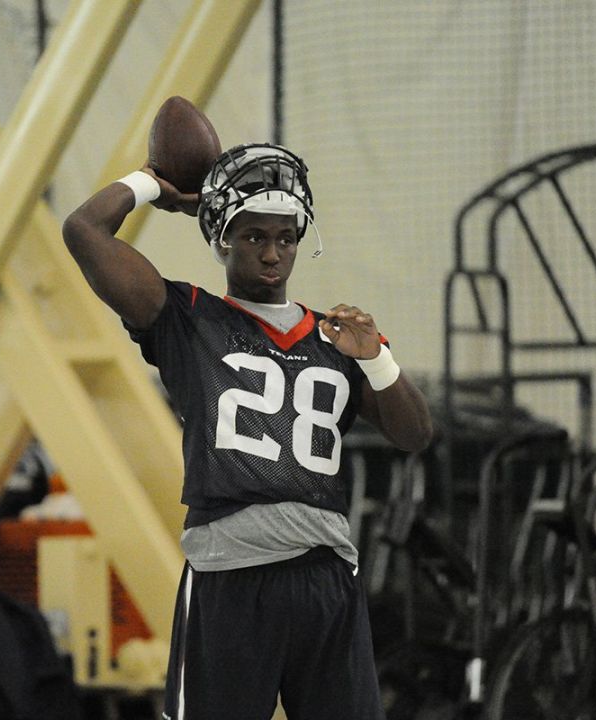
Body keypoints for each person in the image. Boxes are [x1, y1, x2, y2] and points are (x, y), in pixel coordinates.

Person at [62, 142, 433, 720]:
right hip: (231, 576)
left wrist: (377, 359)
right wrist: (155, 182)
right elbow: (85, 230)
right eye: (254, 236)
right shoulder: (189, 319)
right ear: (221, 240)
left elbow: (415, 436)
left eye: (286, 237)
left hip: (325, 574)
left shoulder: (335, 339)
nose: (272, 254)